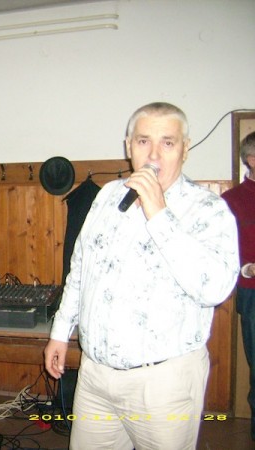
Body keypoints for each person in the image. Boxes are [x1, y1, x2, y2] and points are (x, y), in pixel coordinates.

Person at [44, 102, 239, 449]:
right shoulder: (108, 196)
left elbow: (215, 289)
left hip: (163, 382)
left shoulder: (208, 210)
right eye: (143, 141)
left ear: (185, 149)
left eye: (168, 142)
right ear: (128, 146)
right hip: (96, 376)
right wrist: (60, 332)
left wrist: (159, 214)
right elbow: (82, 267)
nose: (154, 155)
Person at [221, 131, 255, 441]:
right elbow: (220, 253)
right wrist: (244, 268)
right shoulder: (231, 201)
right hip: (253, 292)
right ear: (251, 159)